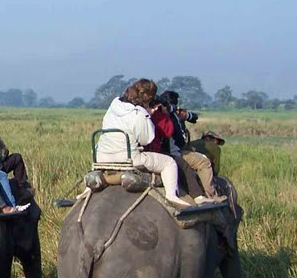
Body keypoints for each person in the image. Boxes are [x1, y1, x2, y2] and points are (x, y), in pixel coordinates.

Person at [95, 79, 189, 209]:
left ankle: (90, 187)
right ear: (148, 99)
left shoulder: (114, 104)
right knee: (169, 163)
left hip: (102, 158)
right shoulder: (139, 114)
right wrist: (148, 116)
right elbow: (146, 139)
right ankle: (172, 196)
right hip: (129, 158)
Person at [183, 132, 227, 204]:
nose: (216, 143)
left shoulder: (193, 143)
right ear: (209, 138)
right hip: (201, 167)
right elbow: (216, 167)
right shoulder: (215, 148)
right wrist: (214, 176)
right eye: (216, 141)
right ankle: (211, 195)